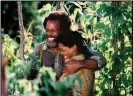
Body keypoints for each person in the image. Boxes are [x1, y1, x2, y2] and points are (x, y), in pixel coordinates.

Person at [27, 11, 106, 80]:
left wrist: (80, 63)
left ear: (63, 31)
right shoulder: (39, 49)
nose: (50, 34)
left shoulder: (73, 47)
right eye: (47, 30)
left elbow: (102, 60)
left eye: (53, 30)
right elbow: (28, 75)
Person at [56, 31, 95, 96]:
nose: (61, 53)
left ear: (74, 47)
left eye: (63, 50)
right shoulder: (84, 60)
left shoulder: (74, 63)